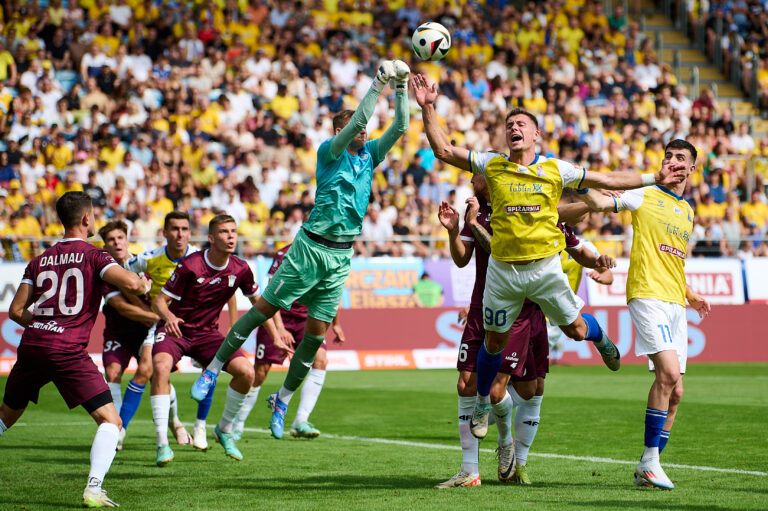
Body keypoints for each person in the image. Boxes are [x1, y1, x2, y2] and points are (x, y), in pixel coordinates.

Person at [411, 73, 685, 440]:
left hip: (544, 270)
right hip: (503, 273)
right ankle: (480, 405)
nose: (514, 128)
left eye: (521, 124)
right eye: (509, 124)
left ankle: (602, 340)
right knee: (492, 344)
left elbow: (606, 180)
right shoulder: (492, 164)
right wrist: (428, 107)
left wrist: (655, 176)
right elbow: (444, 151)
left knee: (575, 330)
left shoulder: (556, 168)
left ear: (536, 135)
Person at [190, 60, 411, 440]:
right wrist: (378, 84)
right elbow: (359, 121)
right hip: (309, 248)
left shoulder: (370, 156)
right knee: (264, 310)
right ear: (341, 131)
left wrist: (403, 88)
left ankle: (283, 399)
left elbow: (402, 127)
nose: (365, 132)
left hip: (341, 256)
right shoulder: (329, 152)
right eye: (357, 128)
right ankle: (213, 367)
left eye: (365, 130)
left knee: (314, 338)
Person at [0, 191, 149, 508]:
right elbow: (133, 285)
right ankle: (94, 488)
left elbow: (15, 311)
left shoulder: (39, 259)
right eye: (93, 215)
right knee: (111, 421)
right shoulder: (95, 256)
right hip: (67, 349)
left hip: (33, 343)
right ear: (85, 218)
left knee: (6, 416)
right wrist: (145, 284)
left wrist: (44, 325)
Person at [578, 140, 711, 489]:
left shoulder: (688, 211)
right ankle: (650, 462)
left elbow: (674, 260)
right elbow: (603, 201)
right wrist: (581, 181)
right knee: (667, 374)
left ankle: (646, 469)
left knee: (677, 391)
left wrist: (691, 295)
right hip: (647, 294)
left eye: (681, 158)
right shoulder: (645, 192)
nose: (673, 162)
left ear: (692, 168)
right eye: (668, 156)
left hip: (675, 302)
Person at [150, 214, 271, 465]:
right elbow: (159, 301)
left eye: (234, 232)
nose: (230, 237)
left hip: (207, 334)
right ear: (211, 238)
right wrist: (169, 317)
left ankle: (224, 429)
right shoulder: (190, 265)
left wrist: (277, 334)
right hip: (176, 330)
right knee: (160, 368)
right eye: (225, 232)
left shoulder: (240, 268)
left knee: (246, 372)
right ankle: (162, 443)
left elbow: (259, 304)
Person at [229, 243, 346, 440]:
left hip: (308, 317)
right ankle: (237, 423)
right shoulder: (287, 253)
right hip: (278, 314)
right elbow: (272, 291)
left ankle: (300, 420)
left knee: (321, 360)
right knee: (260, 373)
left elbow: (334, 292)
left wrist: (336, 324)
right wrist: (280, 328)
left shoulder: (332, 253)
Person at [123, 211, 206, 449]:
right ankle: (122, 429)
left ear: (190, 232)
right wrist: (140, 298)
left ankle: (197, 426)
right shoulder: (149, 258)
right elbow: (124, 275)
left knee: (214, 370)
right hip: (163, 326)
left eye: (184, 229)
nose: (180, 234)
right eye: (174, 229)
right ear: (165, 232)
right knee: (150, 369)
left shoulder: (201, 258)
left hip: (198, 326)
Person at [98, 221, 159, 451]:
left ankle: (174, 424)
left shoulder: (145, 264)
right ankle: (116, 430)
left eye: (120, 237)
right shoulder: (105, 271)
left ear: (127, 239)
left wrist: (155, 319)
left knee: (158, 375)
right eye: (111, 240)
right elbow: (122, 307)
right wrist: (153, 317)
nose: (117, 243)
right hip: (119, 332)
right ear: (106, 245)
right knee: (112, 372)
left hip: (146, 334)